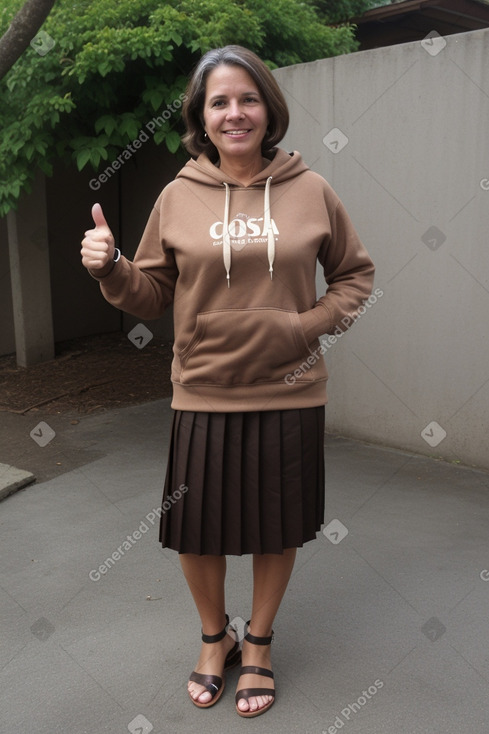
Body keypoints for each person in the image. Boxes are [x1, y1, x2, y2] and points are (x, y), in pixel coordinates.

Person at [81, 45, 375, 718]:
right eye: (219, 102)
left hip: (289, 388)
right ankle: (215, 640)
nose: (234, 112)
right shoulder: (177, 195)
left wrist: (305, 328)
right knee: (196, 531)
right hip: (203, 389)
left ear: (268, 108)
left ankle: (261, 644)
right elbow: (152, 292)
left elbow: (355, 276)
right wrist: (109, 268)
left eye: (246, 98)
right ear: (201, 117)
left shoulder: (311, 189)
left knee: (275, 529)